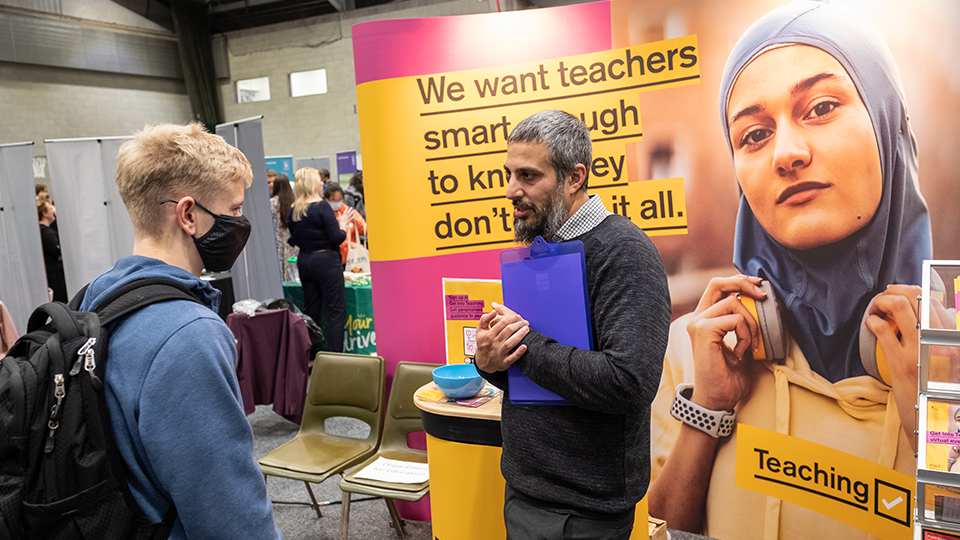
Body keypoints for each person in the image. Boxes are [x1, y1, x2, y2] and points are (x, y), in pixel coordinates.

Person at [647, 3, 930, 539]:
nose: (787, 153)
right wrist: (708, 410)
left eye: (821, 107)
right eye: (753, 135)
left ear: (887, 123)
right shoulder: (694, 350)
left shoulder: (948, 359)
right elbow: (658, 530)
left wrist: (935, 421)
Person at [75, 123, 281, 540]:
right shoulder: (188, 335)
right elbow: (229, 518)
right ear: (188, 214)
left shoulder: (91, 297)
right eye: (234, 209)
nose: (240, 222)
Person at [474, 110, 671, 540]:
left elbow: (629, 382)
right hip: (527, 487)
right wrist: (490, 361)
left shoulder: (625, 254)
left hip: (583, 510)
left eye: (528, 176)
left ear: (574, 177)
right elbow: (535, 375)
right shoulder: (541, 249)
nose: (512, 191)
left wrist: (525, 343)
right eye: (509, 174)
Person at [288, 167, 353, 353]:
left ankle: (310, 356)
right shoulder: (322, 207)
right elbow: (337, 238)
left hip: (305, 261)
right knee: (336, 313)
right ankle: (335, 360)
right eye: (319, 181)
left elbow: (293, 238)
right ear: (313, 184)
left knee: (311, 311)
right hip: (326, 262)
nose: (322, 185)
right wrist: (342, 225)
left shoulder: (293, 210)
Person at [322, 182, 366, 267]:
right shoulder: (324, 215)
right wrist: (349, 244)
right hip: (333, 260)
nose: (337, 203)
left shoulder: (348, 211)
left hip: (353, 259)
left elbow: (364, 229)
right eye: (334, 200)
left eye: (339, 200)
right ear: (326, 199)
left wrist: (355, 221)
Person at [270, 173, 299, 282]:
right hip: (293, 243)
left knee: (281, 272)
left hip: (278, 243)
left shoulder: (272, 203)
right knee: (294, 272)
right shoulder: (295, 203)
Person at [37, 199, 67, 302]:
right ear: (44, 213)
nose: (53, 211)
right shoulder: (46, 232)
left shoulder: (43, 230)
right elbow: (57, 250)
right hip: (55, 277)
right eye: (50, 209)